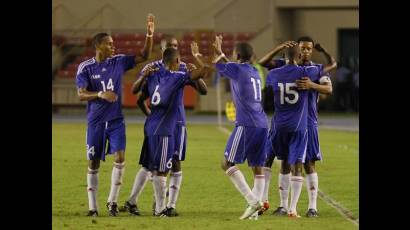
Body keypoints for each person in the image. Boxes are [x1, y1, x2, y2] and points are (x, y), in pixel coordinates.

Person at [75, 14, 155, 217]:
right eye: (109, 44)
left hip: (116, 120)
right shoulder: (85, 67)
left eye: (113, 44)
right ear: (99, 46)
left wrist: (149, 34)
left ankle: (112, 201)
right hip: (95, 122)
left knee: (120, 158)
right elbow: (81, 94)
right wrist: (100, 94)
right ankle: (93, 207)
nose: (113, 46)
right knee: (93, 163)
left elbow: (144, 55)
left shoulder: (118, 62)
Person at [121, 35, 207, 217]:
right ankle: (160, 208)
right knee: (161, 168)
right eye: (170, 46)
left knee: (163, 164)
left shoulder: (160, 73)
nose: (175, 48)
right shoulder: (160, 71)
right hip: (165, 126)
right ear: (163, 50)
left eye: (176, 45)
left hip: (167, 124)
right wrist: (197, 58)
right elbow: (138, 94)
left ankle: (165, 205)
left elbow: (203, 89)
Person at [259, 36, 334, 217]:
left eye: (309, 49)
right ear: (298, 50)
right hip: (291, 123)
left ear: (312, 50)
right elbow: (264, 63)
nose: (306, 52)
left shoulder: (316, 69)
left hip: (309, 122)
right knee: (285, 161)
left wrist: (311, 85)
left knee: (309, 164)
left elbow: (328, 89)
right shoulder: (285, 65)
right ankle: (284, 206)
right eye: (303, 48)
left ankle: (312, 207)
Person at [210, 35, 269, 220]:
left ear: (237, 55)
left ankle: (252, 201)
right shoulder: (253, 70)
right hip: (262, 123)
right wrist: (222, 54)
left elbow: (216, 65)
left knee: (226, 163)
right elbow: (231, 67)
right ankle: (255, 214)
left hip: (246, 124)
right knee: (257, 168)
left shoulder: (236, 68)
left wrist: (217, 50)